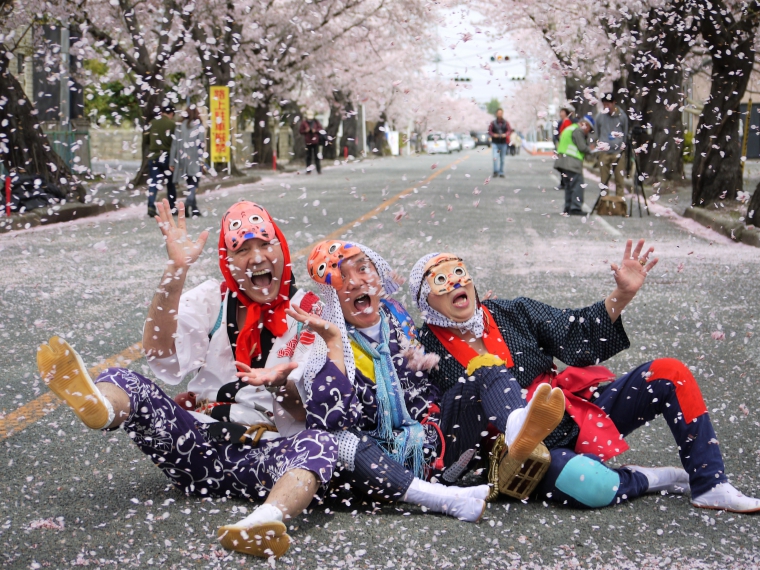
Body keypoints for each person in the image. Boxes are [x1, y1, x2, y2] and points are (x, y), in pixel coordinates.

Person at [37, 199, 340, 559]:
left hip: (267, 458)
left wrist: (277, 382)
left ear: (282, 247)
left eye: (264, 244)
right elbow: (161, 353)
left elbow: (314, 408)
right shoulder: (214, 299)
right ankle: (101, 409)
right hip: (196, 445)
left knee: (321, 443)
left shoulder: (310, 310)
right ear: (228, 262)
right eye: (241, 249)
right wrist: (175, 271)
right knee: (122, 378)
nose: (256, 257)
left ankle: (263, 521)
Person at [410, 242, 760, 513]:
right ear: (426, 300)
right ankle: (649, 478)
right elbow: (439, 428)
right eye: (440, 279)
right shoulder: (423, 353)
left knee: (669, 373)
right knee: (590, 483)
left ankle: (709, 482)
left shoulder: (512, 311)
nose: (455, 280)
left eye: (459, 270)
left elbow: (575, 333)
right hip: (522, 457)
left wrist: (622, 294)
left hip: (570, 412)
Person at [285, 240, 493, 521]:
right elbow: (327, 420)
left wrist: (420, 357)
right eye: (342, 277)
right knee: (338, 440)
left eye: (363, 268)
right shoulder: (324, 334)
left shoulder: (394, 312)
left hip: (426, 436)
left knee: (480, 378)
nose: (357, 282)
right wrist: (332, 345)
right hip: (373, 457)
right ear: (331, 294)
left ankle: (466, 463)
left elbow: (415, 357)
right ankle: (438, 496)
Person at [170, 105, 206, 218]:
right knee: (194, 184)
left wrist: (172, 162)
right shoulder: (198, 126)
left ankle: (195, 209)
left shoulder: (179, 127)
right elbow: (201, 144)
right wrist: (202, 160)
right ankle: (187, 204)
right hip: (195, 158)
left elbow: (174, 145)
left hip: (182, 160)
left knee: (190, 183)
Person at [555, 114, 595, 216]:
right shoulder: (578, 130)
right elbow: (582, 147)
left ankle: (568, 207)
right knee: (578, 184)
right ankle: (575, 207)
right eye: (589, 129)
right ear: (585, 124)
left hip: (562, 161)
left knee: (569, 186)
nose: (588, 132)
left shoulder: (570, 128)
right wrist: (591, 149)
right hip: (572, 162)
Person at [595, 93, 629, 197]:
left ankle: (619, 203)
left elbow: (625, 133)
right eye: (604, 104)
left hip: (618, 151)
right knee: (604, 181)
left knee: (619, 179)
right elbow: (596, 132)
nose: (606, 106)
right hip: (604, 152)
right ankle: (604, 203)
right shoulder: (600, 116)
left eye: (608, 104)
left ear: (614, 103)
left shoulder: (622, 116)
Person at [147, 104, 178, 217]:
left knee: (154, 182)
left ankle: (150, 205)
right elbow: (175, 143)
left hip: (154, 156)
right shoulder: (172, 124)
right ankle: (172, 207)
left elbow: (146, 139)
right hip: (167, 157)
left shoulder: (152, 123)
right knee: (170, 183)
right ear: (171, 114)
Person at [488, 109, 512, 178]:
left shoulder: (506, 122)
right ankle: (495, 171)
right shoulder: (493, 123)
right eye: (498, 113)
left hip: (503, 143)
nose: (499, 114)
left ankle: (501, 172)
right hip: (495, 142)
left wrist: (506, 134)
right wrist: (493, 134)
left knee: (502, 159)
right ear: (496, 114)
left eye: (501, 113)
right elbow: (489, 131)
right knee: (495, 157)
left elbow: (509, 130)